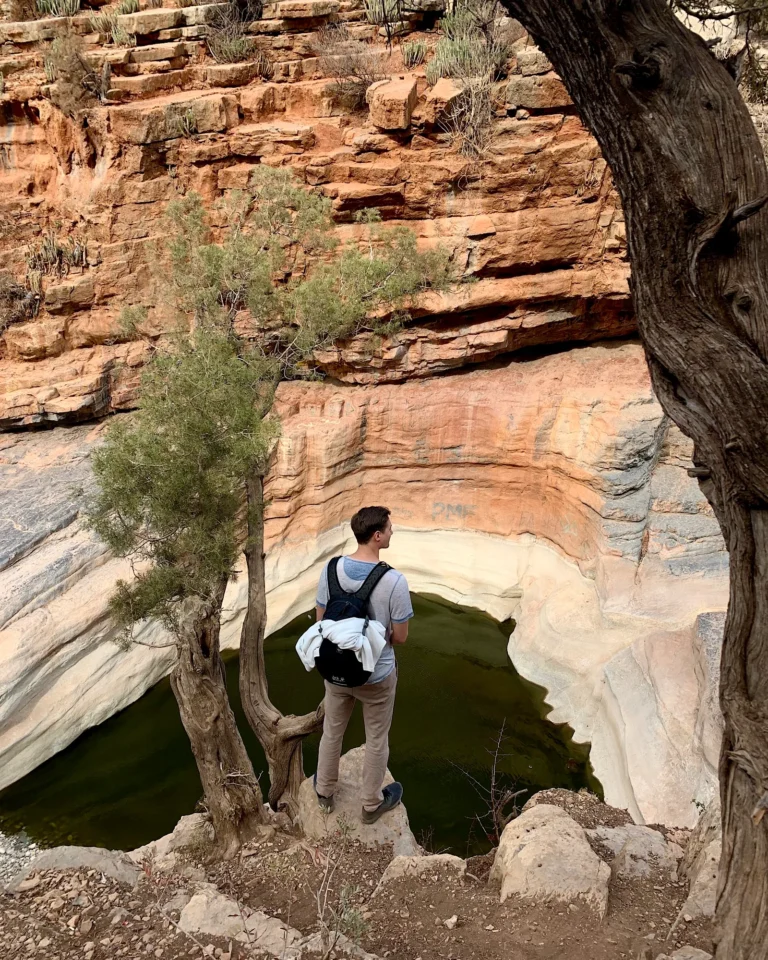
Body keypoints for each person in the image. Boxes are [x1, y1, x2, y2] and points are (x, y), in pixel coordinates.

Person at [314, 505, 413, 823]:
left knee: (332, 732)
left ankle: (325, 792)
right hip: (377, 675)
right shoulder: (394, 581)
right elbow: (400, 637)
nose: (393, 531)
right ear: (377, 535)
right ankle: (371, 804)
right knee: (376, 739)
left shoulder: (330, 571)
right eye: (389, 527)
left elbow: (321, 623)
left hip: (336, 672)